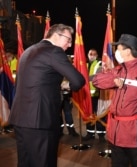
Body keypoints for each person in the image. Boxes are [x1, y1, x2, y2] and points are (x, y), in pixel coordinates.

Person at [8, 24, 85, 167]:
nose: (69, 45)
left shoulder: (29, 50)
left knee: (25, 163)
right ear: (56, 35)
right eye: (68, 40)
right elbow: (78, 80)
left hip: (21, 119)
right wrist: (67, 85)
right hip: (40, 121)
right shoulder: (54, 51)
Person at [92, 34, 137, 167]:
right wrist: (113, 81)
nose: (116, 53)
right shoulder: (118, 70)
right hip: (115, 136)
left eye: (119, 49)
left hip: (135, 137)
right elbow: (96, 81)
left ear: (127, 51)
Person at [82, 48, 106, 142]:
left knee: (100, 115)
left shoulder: (99, 64)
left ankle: (101, 135)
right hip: (87, 95)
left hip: (97, 94)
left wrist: (85, 78)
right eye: (90, 53)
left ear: (96, 55)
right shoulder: (85, 64)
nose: (91, 55)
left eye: (93, 54)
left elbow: (98, 76)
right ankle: (90, 133)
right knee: (89, 115)